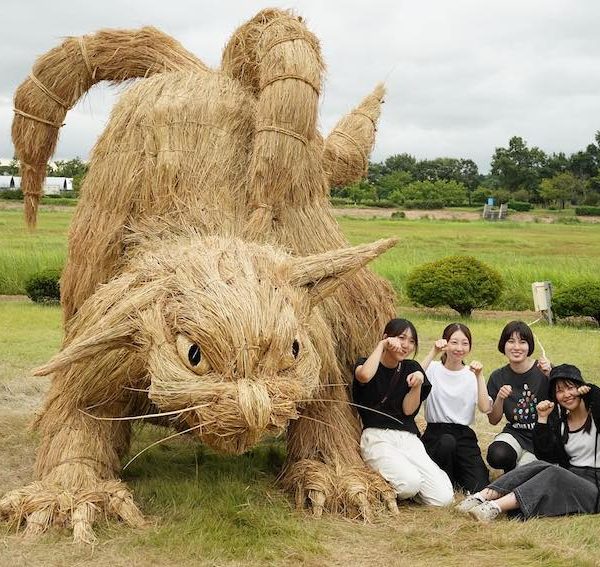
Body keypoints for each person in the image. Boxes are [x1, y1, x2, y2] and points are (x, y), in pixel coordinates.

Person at [457, 364, 600, 521]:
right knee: (539, 466)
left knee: (554, 473)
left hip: (595, 487)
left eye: (570, 388)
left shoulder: (596, 415)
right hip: (571, 476)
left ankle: (494, 507)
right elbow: (546, 455)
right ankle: (481, 497)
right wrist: (543, 419)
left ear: (581, 388)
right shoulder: (561, 423)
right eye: (560, 391)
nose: (566, 394)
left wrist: (591, 390)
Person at [353, 318, 454, 507]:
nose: (406, 345)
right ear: (387, 337)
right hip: (377, 437)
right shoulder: (366, 363)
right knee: (409, 484)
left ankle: (415, 483)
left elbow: (408, 410)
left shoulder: (412, 368)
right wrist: (382, 345)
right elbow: (364, 376)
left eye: (411, 341)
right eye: (401, 338)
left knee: (443, 499)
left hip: (408, 438)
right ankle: (400, 485)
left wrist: (416, 386)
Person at [420, 323, 491, 493]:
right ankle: (445, 480)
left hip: (463, 435)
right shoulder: (433, 369)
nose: (459, 348)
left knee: (479, 487)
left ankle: (458, 474)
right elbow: (414, 376)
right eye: (454, 342)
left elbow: (485, 407)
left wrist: (479, 376)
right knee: (446, 443)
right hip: (436, 434)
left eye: (465, 343)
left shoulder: (471, 374)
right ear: (445, 343)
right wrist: (433, 352)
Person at [486, 321, 551, 472]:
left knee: (525, 473)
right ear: (503, 345)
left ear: (530, 346)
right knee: (497, 454)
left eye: (522, 342)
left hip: (541, 436)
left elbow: (564, 401)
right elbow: (493, 420)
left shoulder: (543, 369)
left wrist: (550, 375)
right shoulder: (497, 377)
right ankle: (512, 468)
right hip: (515, 433)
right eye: (511, 341)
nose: (516, 347)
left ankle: (518, 471)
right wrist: (500, 398)